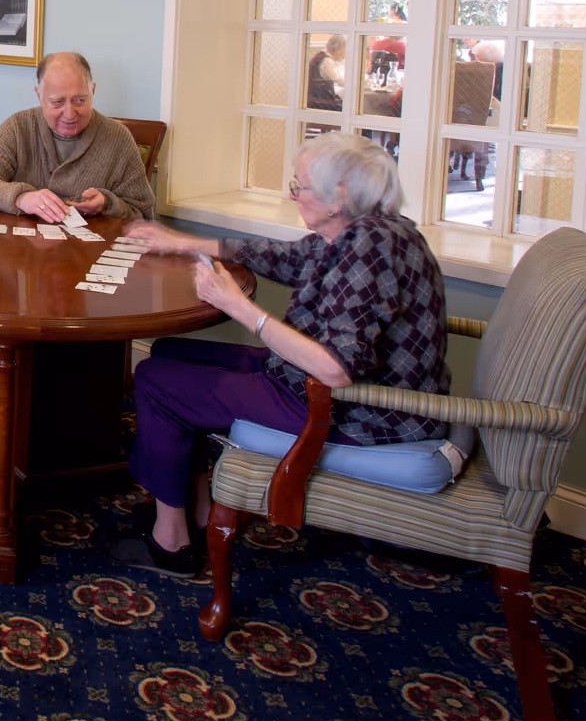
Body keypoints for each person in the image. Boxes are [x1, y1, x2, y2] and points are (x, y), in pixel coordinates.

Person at [108, 132, 450, 577]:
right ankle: (194, 509)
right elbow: (288, 258)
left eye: (300, 187)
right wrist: (180, 241)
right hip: (323, 387)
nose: (294, 196)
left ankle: (170, 542)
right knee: (169, 352)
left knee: (157, 382)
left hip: (359, 412)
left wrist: (239, 307)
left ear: (338, 196)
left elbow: (336, 368)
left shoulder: (368, 248)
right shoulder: (371, 230)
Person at [0, 52, 155, 221]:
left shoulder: (118, 138)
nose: (70, 114)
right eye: (57, 102)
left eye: (80, 100)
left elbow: (144, 213)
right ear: (39, 96)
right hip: (23, 252)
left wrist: (107, 204)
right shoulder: (18, 127)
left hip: (87, 254)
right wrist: (21, 197)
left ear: (93, 91)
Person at [306, 34, 347, 110]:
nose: (344, 55)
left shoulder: (320, 57)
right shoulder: (326, 61)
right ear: (339, 48)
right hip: (321, 102)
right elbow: (341, 81)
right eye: (344, 51)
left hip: (315, 99)